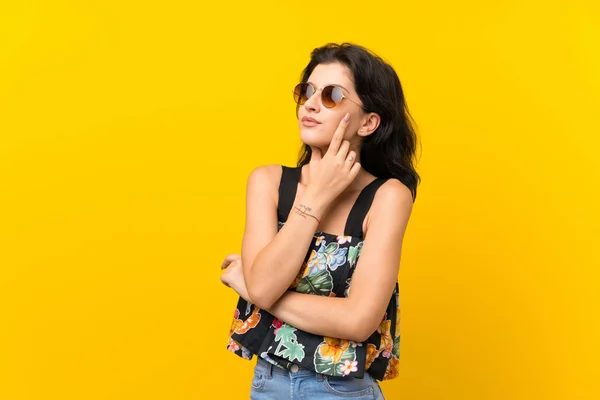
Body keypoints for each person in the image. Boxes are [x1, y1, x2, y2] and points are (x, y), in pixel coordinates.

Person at [219, 42, 420, 399]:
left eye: (333, 95)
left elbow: (358, 321)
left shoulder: (388, 197)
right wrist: (316, 197)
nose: (310, 104)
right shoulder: (267, 183)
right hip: (268, 385)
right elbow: (266, 285)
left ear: (369, 122)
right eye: (307, 91)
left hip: (342, 391)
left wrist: (250, 289)